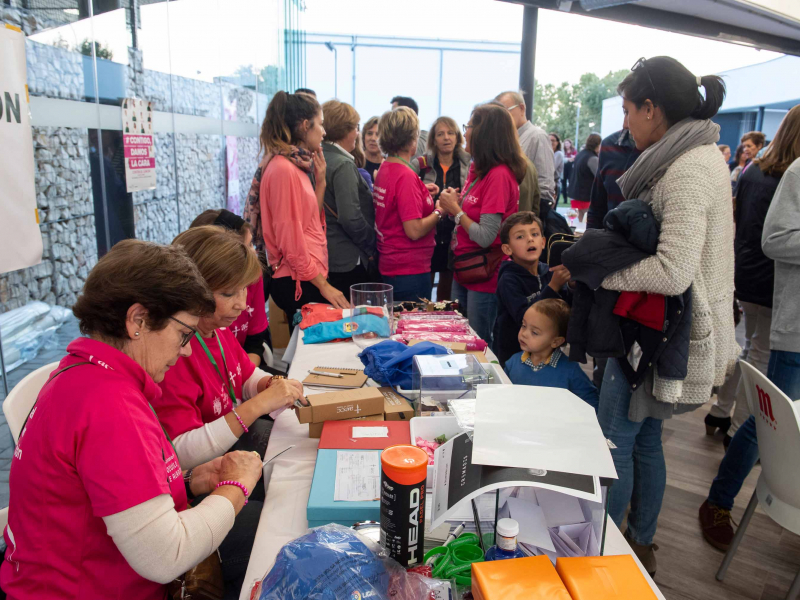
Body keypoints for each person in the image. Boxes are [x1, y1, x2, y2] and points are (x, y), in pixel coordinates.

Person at [0, 239, 264, 599]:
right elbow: (165, 556)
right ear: (138, 320)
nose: (186, 349)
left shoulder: (82, 374)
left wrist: (188, 481)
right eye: (183, 334)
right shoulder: (110, 406)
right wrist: (237, 487)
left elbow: (105, 496)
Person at [597, 56, 738, 576]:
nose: (626, 121)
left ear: (653, 109)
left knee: (615, 438)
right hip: (665, 333)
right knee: (645, 438)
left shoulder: (684, 170)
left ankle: (607, 551)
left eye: (630, 109)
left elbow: (673, 270)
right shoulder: (696, 157)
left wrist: (602, 277)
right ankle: (641, 541)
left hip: (658, 337)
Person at [699, 156, 800, 552]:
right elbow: (773, 238)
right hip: (794, 332)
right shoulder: (794, 172)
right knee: (768, 423)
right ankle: (719, 501)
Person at [155, 225, 304, 469]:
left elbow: (244, 376)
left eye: (244, 289)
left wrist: (271, 384)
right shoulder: (173, 354)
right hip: (203, 470)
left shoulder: (218, 330)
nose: (243, 304)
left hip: (232, 443)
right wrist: (259, 404)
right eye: (228, 293)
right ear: (192, 290)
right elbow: (179, 453)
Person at [704, 105, 800, 447]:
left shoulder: (751, 171)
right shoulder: (789, 174)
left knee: (749, 348)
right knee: (759, 353)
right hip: (773, 276)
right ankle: (740, 426)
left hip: (745, 268)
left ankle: (721, 409)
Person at [255, 90, 349, 326]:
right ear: (306, 125)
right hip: (298, 280)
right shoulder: (283, 169)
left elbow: (309, 223)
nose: (324, 132)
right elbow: (292, 242)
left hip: (305, 276)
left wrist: (321, 182)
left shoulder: (294, 166)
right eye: (321, 124)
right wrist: (324, 287)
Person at [437, 102, 524, 343]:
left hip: (484, 276)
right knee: (458, 338)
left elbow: (486, 235)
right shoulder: (479, 169)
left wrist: (455, 210)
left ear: (484, 133)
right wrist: (453, 203)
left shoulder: (498, 175)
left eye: (469, 126)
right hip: (465, 268)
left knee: (478, 344)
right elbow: (470, 213)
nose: (464, 133)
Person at [373, 106, 440, 301]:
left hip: (392, 265)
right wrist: (439, 211)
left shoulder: (387, 167)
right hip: (409, 269)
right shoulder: (406, 175)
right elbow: (414, 230)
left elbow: (394, 203)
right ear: (413, 138)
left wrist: (421, 193)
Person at [190, 209, 270, 367]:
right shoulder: (191, 333)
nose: (242, 305)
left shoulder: (253, 276)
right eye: (228, 293)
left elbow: (255, 343)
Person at [492, 212, 571, 367]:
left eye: (534, 234)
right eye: (520, 237)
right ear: (507, 249)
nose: (529, 239)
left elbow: (565, 307)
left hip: (547, 351)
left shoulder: (548, 271)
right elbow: (523, 317)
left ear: (543, 242)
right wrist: (553, 286)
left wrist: (572, 286)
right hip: (514, 354)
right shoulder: (509, 279)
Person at [320, 99, 376, 296]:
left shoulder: (317, 156)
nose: (357, 133)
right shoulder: (343, 165)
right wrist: (371, 243)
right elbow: (350, 217)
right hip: (347, 259)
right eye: (356, 127)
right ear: (345, 130)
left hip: (325, 255)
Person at [411, 116, 471, 302]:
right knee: (424, 287)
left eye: (451, 133)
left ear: (457, 137)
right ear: (433, 140)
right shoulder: (420, 164)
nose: (446, 138)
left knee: (447, 288)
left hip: (455, 233)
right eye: (441, 134)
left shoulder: (468, 164)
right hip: (428, 232)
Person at [503, 299, 598, 409]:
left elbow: (591, 402)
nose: (524, 334)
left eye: (534, 332)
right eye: (524, 325)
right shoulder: (513, 362)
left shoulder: (570, 371)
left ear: (556, 342)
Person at [496, 90, 556, 203]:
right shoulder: (506, 139)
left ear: (522, 108)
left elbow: (545, 183)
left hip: (527, 213)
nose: (502, 118)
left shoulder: (537, 136)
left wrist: (535, 213)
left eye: (505, 111)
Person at [586, 129, 642, 230]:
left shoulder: (668, 147)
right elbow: (597, 207)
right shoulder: (609, 145)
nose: (625, 123)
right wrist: (590, 240)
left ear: (650, 113)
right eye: (625, 113)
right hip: (611, 238)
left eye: (629, 113)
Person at [569, 133, 602, 222]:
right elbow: (600, 177)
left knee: (578, 222)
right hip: (585, 196)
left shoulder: (580, 154)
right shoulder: (592, 158)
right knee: (586, 223)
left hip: (576, 193)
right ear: (598, 144)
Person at [362, 116, 384, 181]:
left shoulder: (388, 165)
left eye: (377, 134)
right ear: (363, 137)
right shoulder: (356, 162)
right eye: (369, 133)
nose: (373, 138)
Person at [562, 138, 577, 204]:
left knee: (571, 183)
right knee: (563, 183)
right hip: (564, 168)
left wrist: (568, 159)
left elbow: (575, 158)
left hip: (571, 168)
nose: (566, 145)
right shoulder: (563, 151)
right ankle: (565, 199)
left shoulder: (574, 150)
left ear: (570, 144)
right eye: (565, 143)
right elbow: (562, 159)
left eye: (568, 143)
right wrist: (569, 159)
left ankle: (571, 198)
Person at [550, 132, 565, 202]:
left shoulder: (558, 154)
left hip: (554, 184)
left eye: (553, 140)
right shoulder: (549, 153)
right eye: (549, 140)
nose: (550, 142)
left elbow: (551, 168)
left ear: (557, 142)